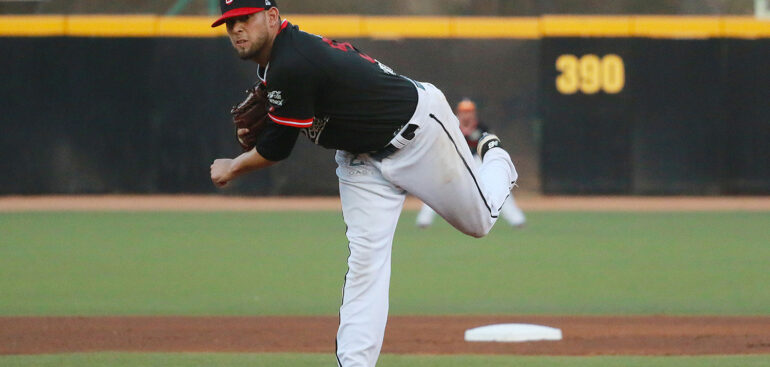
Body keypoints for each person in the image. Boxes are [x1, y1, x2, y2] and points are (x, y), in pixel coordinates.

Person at [208, 1, 517, 366]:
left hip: (419, 135)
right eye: (230, 24)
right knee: (365, 265)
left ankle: (497, 157)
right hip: (360, 160)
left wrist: (232, 166)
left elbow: (276, 148)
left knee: (479, 222)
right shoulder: (276, 65)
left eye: (245, 18)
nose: (237, 29)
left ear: (272, 17)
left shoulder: (292, 61)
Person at [415, 99, 526, 228]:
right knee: (437, 186)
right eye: (464, 112)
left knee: (496, 185)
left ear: (474, 113)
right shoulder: (451, 124)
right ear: (458, 113)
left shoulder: (481, 127)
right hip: (455, 160)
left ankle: (517, 220)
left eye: (469, 112)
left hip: (477, 160)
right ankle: (424, 220)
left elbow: (490, 143)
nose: (466, 114)